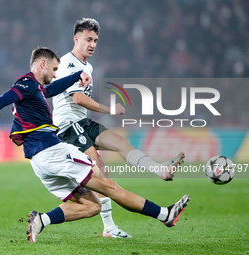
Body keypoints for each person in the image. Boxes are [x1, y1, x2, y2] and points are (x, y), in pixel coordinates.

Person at [0, 47, 190, 243]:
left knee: (91, 206)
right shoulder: (26, 83)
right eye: (54, 69)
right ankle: (164, 215)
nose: (56, 74)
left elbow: (51, 89)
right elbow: (6, 97)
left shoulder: (37, 89)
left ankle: (41, 220)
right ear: (42, 64)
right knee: (109, 187)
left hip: (40, 163)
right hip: (54, 151)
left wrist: (78, 74)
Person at [52, 18, 185, 238]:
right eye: (88, 39)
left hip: (83, 122)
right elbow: (77, 99)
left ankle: (159, 169)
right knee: (101, 173)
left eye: (95, 40)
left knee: (121, 142)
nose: (92, 44)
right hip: (68, 126)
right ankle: (110, 227)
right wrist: (109, 110)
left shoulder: (88, 66)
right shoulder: (68, 62)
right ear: (76, 39)